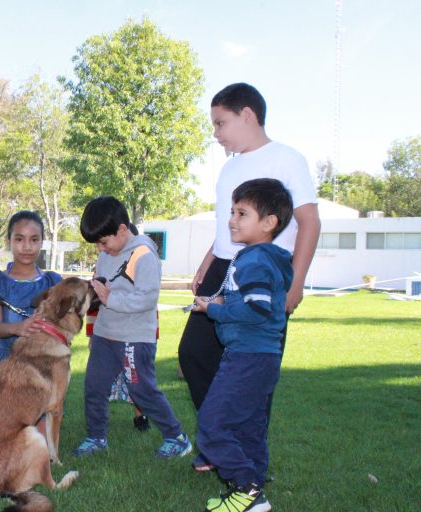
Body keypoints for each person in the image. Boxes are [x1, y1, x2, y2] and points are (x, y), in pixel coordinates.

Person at [178, 83, 320, 471]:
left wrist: (297, 282)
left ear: (247, 115)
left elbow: (309, 222)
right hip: (224, 268)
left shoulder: (286, 158)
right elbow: (228, 224)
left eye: (220, 123)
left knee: (254, 367)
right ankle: (219, 437)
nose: (216, 133)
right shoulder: (229, 167)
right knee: (193, 354)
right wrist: (209, 260)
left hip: (265, 274)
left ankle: (243, 455)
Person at [192, 178, 294, 512]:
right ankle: (255, 494)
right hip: (263, 357)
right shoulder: (267, 258)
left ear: (268, 223)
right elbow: (258, 300)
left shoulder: (253, 259)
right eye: (232, 211)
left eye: (242, 213)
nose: (232, 219)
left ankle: (246, 487)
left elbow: (256, 309)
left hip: (247, 358)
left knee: (212, 425)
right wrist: (221, 298)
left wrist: (216, 309)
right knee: (249, 427)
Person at [72, 196, 191, 458]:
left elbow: (148, 298)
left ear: (122, 230)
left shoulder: (144, 254)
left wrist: (109, 298)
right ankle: (96, 437)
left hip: (135, 338)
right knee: (94, 387)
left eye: (104, 241)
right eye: (97, 244)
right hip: (106, 334)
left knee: (143, 391)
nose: (101, 249)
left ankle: (177, 437)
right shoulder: (106, 254)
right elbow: (100, 290)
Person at [0, 210, 62, 378]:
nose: (27, 246)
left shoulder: (53, 282)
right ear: (8, 241)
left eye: (34, 239)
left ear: (41, 242)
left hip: (44, 368)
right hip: (5, 366)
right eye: (19, 239)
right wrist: (17, 328)